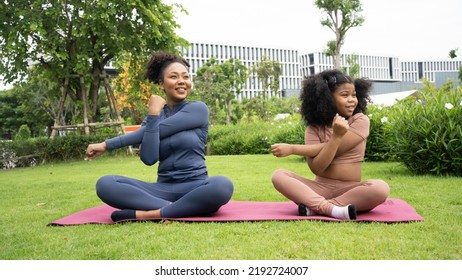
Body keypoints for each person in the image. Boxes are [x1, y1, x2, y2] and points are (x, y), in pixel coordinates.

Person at [85, 51, 234, 222]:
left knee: (222, 185)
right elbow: (149, 159)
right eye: (173, 76)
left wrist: (106, 145)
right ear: (162, 84)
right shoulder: (153, 118)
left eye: (185, 77)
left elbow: (161, 130)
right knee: (106, 184)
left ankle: (150, 214)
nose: (181, 81)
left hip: (196, 186)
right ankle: (179, 208)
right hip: (161, 189)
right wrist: (154, 114)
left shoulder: (198, 109)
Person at [271, 69, 389, 220]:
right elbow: (318, 168)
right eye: (344, 95)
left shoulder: (359, 120)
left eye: (354, 95)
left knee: (380, 188)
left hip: (351, 190)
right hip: (319, 189)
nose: (352, 100)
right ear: (327, 98)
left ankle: (317, 207)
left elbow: (340, 148)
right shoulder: (313, 129)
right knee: (279, 175)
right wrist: (336, 137)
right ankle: (333, 209)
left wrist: (293, 148)